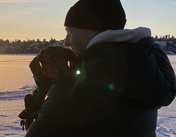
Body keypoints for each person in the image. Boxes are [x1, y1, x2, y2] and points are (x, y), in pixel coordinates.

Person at [25, 0, 176, 137]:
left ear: (92, 29)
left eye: (70, 32)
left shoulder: (73, 90)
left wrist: (43, 108)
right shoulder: (144, 69)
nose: (66, 42)